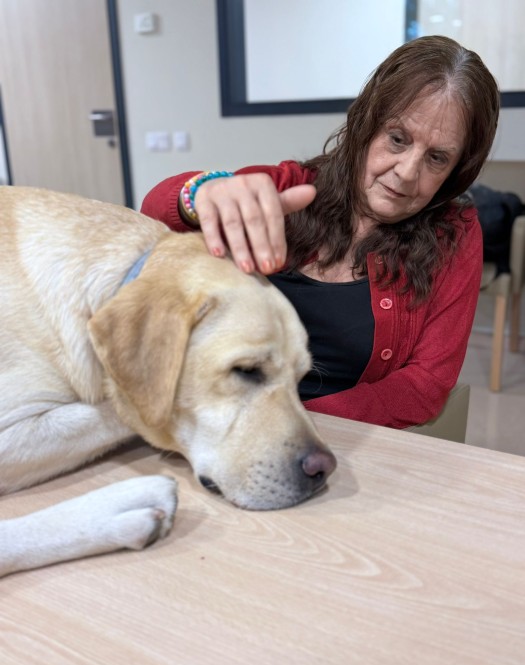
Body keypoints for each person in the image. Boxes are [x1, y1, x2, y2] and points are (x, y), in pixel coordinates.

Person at [140, 35, 500, 429]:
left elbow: (424, 385)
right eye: (397, 139)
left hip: (334, 438)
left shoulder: (454, 234)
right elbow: (157, 212)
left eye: (437, 158)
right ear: (367, 124)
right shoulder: (295, 188)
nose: (408, 171)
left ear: (456, 170)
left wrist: (288, 424)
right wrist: (202, 194)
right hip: (217, 422)